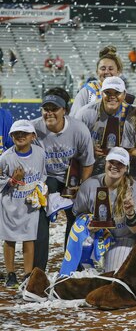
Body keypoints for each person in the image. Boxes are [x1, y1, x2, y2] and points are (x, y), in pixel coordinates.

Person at [31, 89, 95, 272]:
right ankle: (37, 270)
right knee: (40, 216)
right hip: (46, 178)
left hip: (71, 179)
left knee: (75, 217)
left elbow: (88, 162)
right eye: (46, 108)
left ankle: (72, 268)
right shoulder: (33, 128)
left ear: (64, 110)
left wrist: (82, 187)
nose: (49, 113)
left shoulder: (79, 129)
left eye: (54, 109)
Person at [72, 147, 136, 273]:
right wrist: (88, 224)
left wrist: (130, 212)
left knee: (112, 276)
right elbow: (78, 217)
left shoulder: (133, 188)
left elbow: (135, 230)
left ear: (127, 168)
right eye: (111, 162)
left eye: (120, 163)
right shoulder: (89, 185)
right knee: (87, 273)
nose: (114, 166)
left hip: (122, 240)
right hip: (97, 236)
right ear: (105, 162)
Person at [0, 120, 46, 287]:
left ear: (33, 136)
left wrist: (40, 188)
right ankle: (10, 273)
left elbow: (42, 175)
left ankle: (27, 274)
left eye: (24, 133)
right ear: (11, 136)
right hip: (10, 204)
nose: (20, 136)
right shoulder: (5, 158)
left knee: (29, 238)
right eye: (16, 134)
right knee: (10, 238)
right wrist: (13, 180)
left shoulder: (40, 153)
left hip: (29, 203)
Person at [75, 76, 133, 175]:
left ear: (124, 95)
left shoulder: (132, 115)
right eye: (108, 92)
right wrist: (88, 150)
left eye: (117, 93)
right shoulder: (85, 113)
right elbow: (73, 144)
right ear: (101, 93)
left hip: (119, 167)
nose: (112, 96)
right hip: (90, 166)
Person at [70, 45, 123, 117]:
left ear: (118, 71)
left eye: (111, 69)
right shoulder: (87, 91)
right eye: (103, 69)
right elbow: (74, 118)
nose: (106, 72)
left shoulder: (123, 92)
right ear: (97, 72)